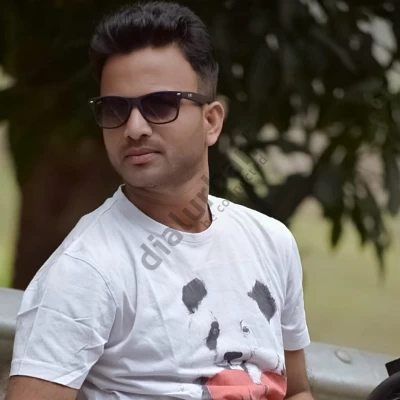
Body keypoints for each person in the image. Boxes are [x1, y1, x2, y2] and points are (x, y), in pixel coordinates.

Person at [5, 1, 314, 399]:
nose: (134, 128)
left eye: (160, 105)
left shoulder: (271, 241)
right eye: (115, 109)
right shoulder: (86, 269)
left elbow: (296, 390)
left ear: (211, 121)